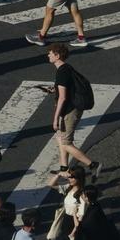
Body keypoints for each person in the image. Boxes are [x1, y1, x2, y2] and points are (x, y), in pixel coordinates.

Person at [41, 43, 102, 182]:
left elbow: (62, 98)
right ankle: (64, 169)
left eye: (50, 53)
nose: (48, 55)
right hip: (71, 108)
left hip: (70, 110)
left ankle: (93, 165)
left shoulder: (62, 71)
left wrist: (55, 118)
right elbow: (67, 88)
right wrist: (54, 89)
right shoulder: (66, 68)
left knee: (66, 143)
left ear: (57, 56)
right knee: (60, 138)